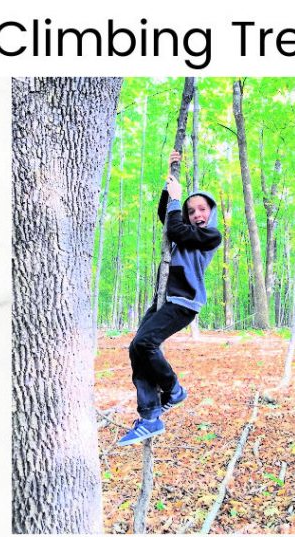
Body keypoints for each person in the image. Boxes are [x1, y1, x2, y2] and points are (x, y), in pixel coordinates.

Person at [116, 150, 221, 447]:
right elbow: (167, 219)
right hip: (165, 297)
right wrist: (170, 181)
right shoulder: (183, 228)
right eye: (192, 211)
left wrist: (177, 198)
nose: (197, 214)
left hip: (184, 301)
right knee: (137, 348)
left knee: (144, 343)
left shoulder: (211, 236)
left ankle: (173, 390)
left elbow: (174, 226)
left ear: (210, 212)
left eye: (202, 209)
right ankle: (149, 416)